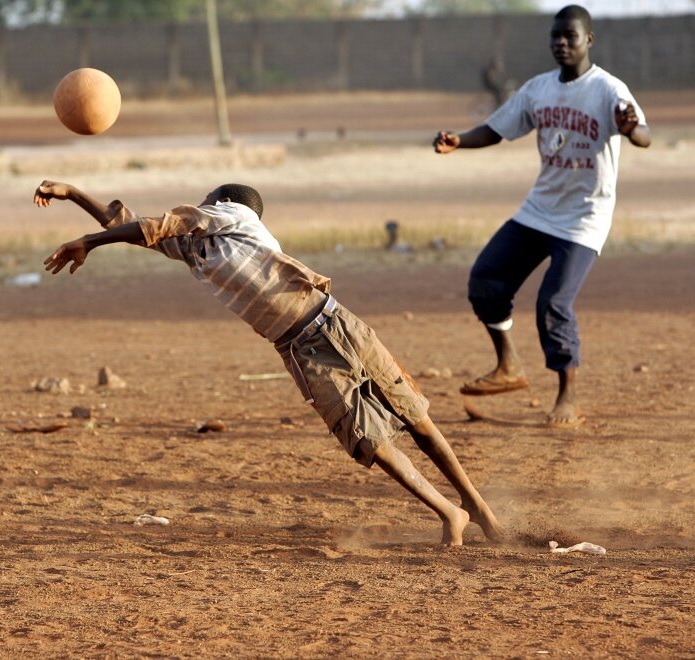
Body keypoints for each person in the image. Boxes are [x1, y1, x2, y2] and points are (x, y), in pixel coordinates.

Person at [34, 180, 503, 547]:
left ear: (223, 204)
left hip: (336, 322)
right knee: (367, 439)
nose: (200, 206)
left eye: (207, 201)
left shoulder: (234, 214)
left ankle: (476, 504)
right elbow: (132, 224)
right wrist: (74, 195)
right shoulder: (196, 250)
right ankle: (450, 511)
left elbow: (159, 222)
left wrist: (92, 242)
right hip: (298, 347)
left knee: (413, 413)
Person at [432, 5, 651, 427]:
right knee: (486, 280)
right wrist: (459, 140)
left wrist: (630, 129)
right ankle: (508, 366)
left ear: (589, 40)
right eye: (556, 36)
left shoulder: (608, 90)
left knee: (553, 302)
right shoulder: (538, 89)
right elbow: (496, 129)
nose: (561, 43)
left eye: (570, 36)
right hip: (539, 210)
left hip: (584, 218)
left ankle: (568, 396)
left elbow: (643, 135)